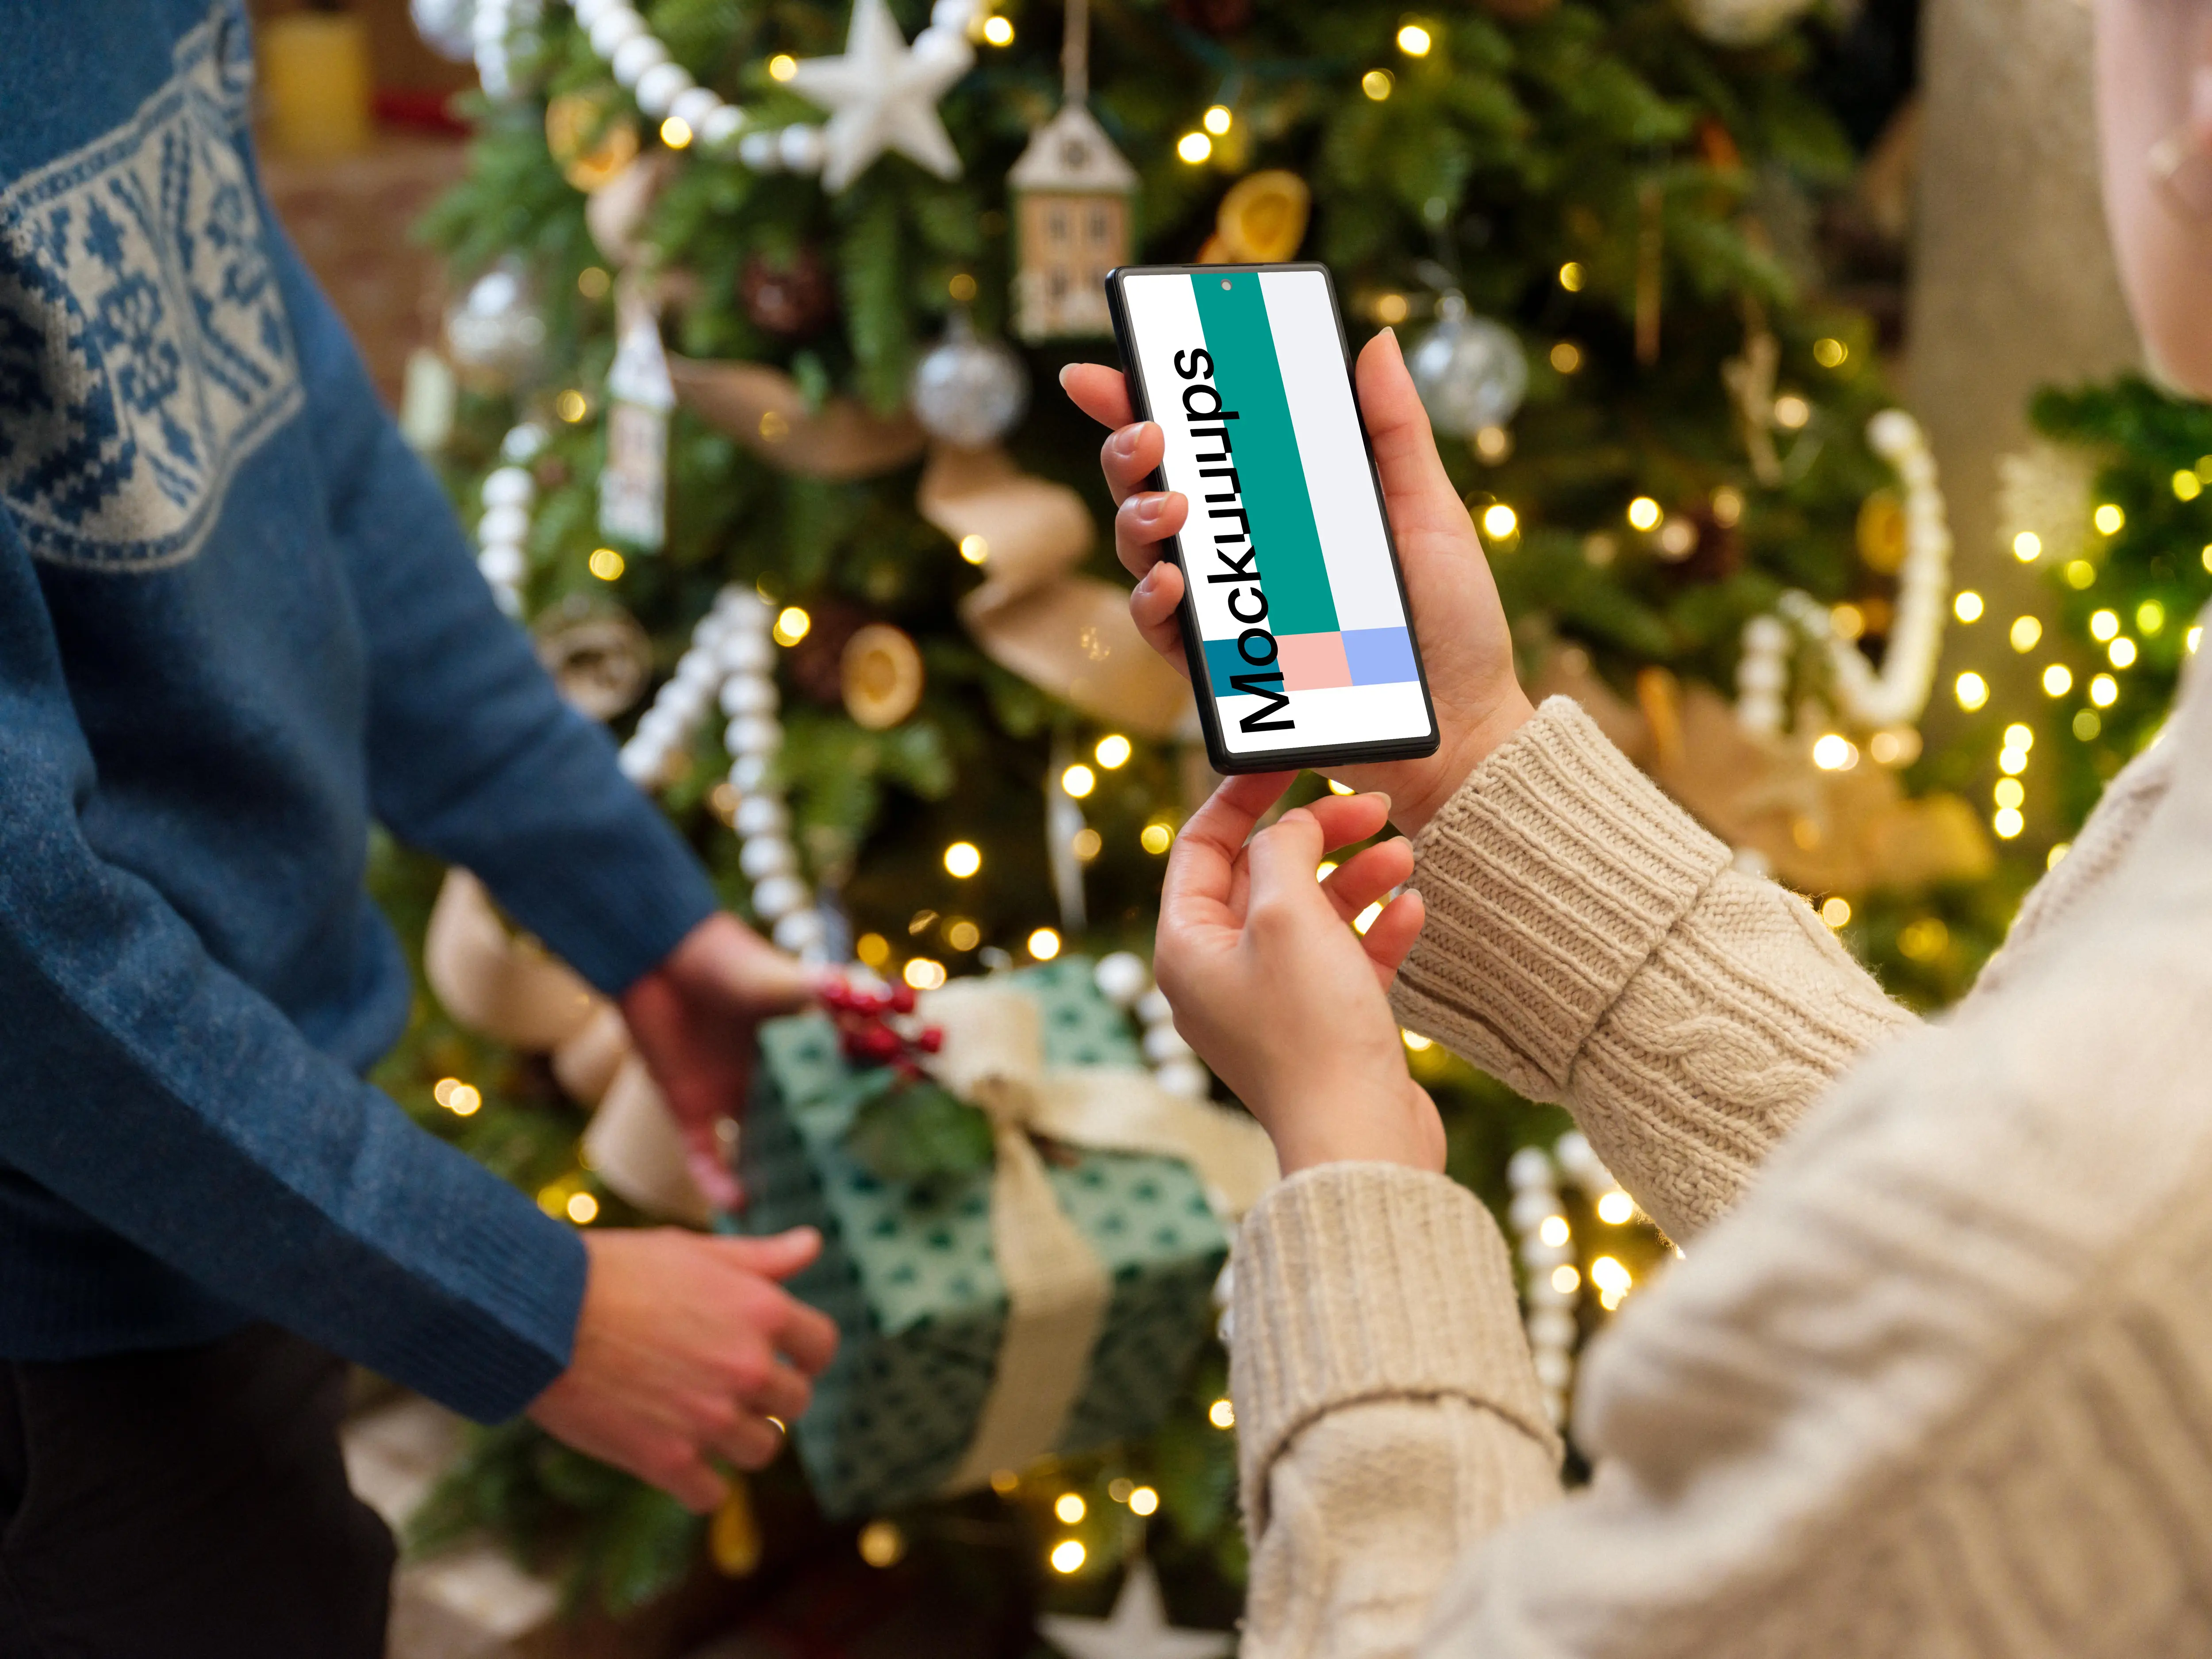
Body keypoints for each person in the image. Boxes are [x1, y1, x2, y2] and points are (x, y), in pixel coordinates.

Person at [1060, 3, 2212, 1648]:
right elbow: (1967, 1218)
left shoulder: (2101, 1283)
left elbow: (2039, 1284)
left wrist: (1351, 1161)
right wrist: (1466, 766)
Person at [0, 4, 834, 1652]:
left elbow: (294, 437)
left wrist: (634, 911)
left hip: (194, 1229)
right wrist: (530, 1304)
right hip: (51, 1331)